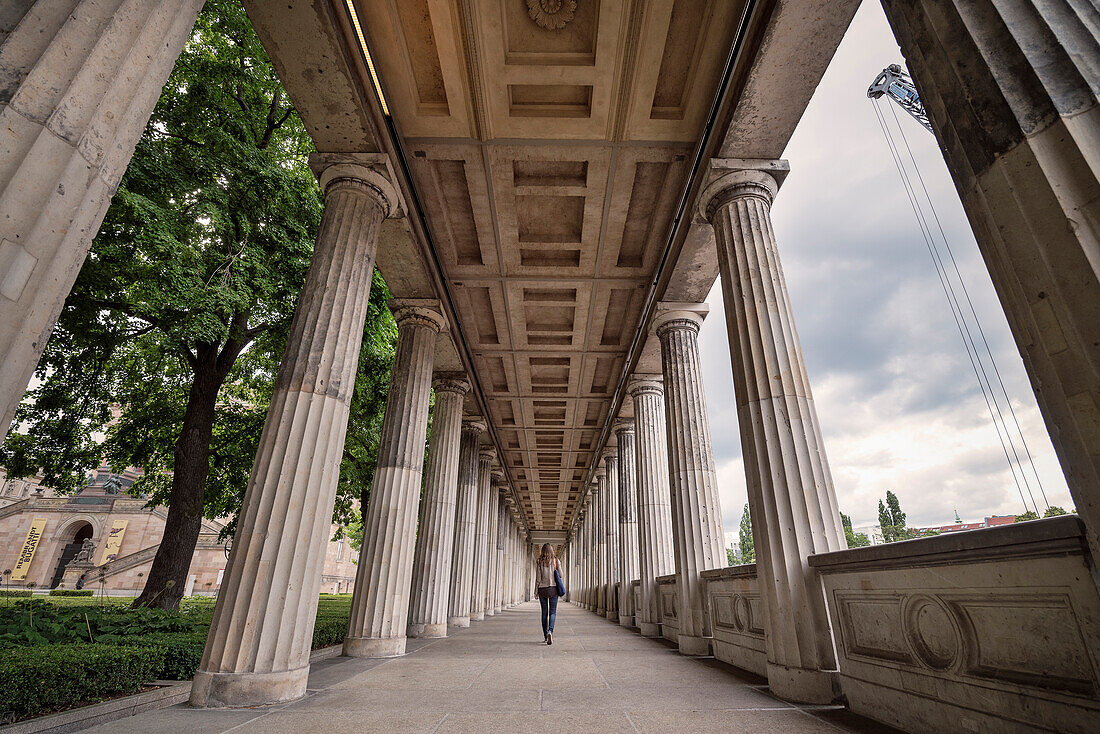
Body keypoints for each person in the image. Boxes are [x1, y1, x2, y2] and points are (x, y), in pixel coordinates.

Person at [534, 543, 562, 645]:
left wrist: (535, 591)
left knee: (544, 613)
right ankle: (550, 631)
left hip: (542, 589)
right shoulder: (555, 561)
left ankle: (546, 636)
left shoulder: (539, 561)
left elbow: (538, 578)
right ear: (552, 550)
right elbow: (561, 575)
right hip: (553, 589)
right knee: (553, 612)